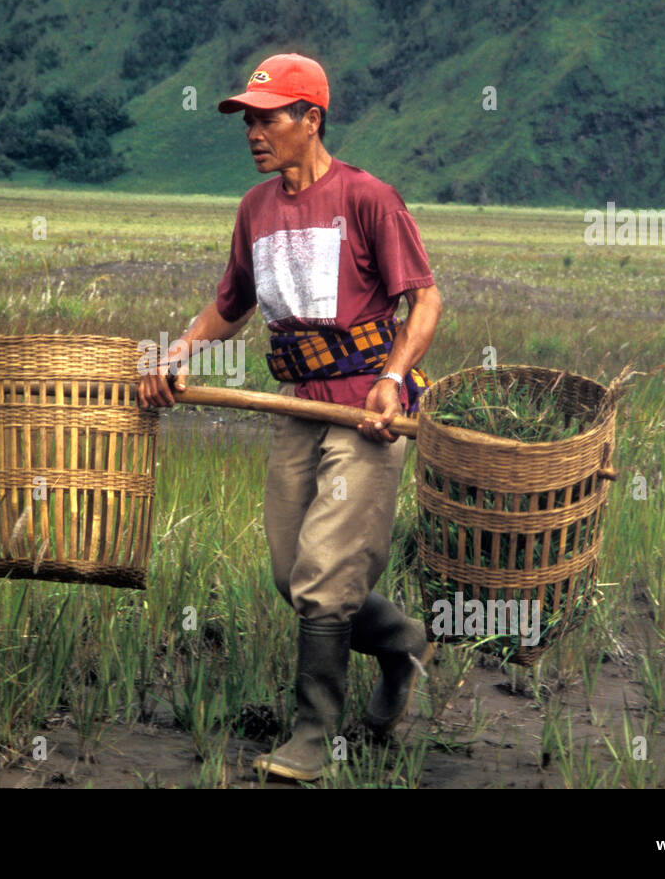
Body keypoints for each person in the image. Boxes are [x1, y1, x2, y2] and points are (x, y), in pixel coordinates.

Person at [137, 52, 442, 782]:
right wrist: (178, 353)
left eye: (268, 116)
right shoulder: (256, 209)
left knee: (326, 573)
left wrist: (394, 381)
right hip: (296, 409)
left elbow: (424, 299)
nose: (253, 130)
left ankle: (312, 736)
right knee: (291, 574)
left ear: (312, 119)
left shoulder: (368, 198)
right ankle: (402, 640)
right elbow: (231, 305)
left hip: (367, 412)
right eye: (248, 118)